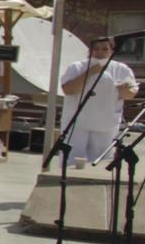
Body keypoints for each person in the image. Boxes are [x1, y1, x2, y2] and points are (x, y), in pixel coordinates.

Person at [60, 36, 140, 166]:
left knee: (100, 162)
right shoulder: (77, 67)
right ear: (90, 51)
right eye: (96, 49)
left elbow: (130, 95)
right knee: (72, 161)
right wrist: (91, 71)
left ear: (111, 51)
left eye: (104, 49)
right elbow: (68, 90)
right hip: (78, 123)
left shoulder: (121, 69)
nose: (100, 52)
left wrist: (124, 90)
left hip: (106, 124)